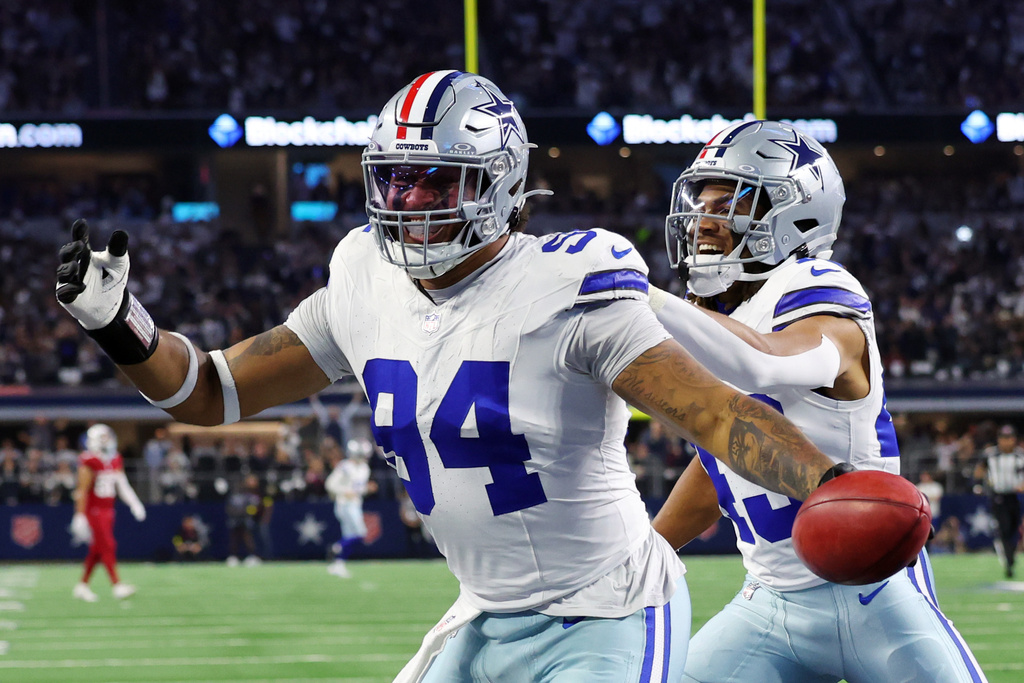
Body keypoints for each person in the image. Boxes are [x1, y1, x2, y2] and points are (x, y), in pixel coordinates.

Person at [56, 71, 842, 682]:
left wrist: (831, 483)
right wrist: (119, 322)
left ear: (499, 183)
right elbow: (209, 391)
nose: (407, 200)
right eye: (394, 179)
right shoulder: (363, 277)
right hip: (483, 614)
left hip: (608, 611)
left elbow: (718, 415)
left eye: (433, 181)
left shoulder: (570, 286)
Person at [649, 120, 986, 682]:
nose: (704, 221)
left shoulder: (817, 287)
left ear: (795, 215)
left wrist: (643, 297)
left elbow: (763, 362)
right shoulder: (714, 317)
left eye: (728, 203)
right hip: (770, 603)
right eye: (701, 204)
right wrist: (648, 551)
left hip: (876, 593)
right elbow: (723, 459)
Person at [71, 424, 147, 602]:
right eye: (103, 438)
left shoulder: (115, 459)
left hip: (108, 509)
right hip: (94, 510)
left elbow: (122, 484)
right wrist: (79, 515)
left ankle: (82, 586)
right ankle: (117, 585)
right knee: (108, 545)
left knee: (97, 549)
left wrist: (135, 503)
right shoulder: (88, 460)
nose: (108, 441)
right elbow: (82, 490)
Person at [324, 438, 377, 577]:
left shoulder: (364, 468)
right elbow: (330, 484)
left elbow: (357, 489)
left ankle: (338, 564)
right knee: (360, 533)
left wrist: (367, 489)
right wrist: (344, 491)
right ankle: (337, 547)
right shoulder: (345, 466)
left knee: (349, 536)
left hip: (356, 503)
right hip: (345, 504)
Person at [981, 424, 1024, 577]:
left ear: (1014, 439)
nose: (1006, 441)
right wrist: (984, 484)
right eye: (1003, 438)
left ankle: (1010, 556)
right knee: (1004, 528)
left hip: (1015, 496)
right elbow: (980, 471)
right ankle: (1009, 560)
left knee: (1014, 528)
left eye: (1009, 438)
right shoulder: (991, 455)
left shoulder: (1020, 456)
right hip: (998, 496)